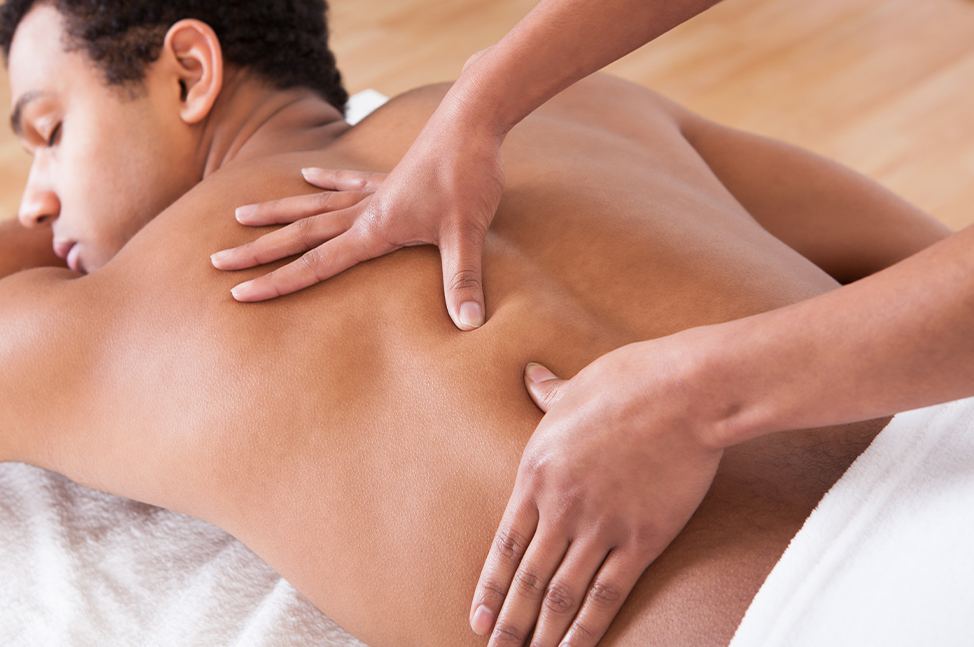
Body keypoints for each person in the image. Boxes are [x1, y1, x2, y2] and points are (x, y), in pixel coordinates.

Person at [0, 1, 952, 646]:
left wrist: (696, 393)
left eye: (47, 131)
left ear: (189, 73)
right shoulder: (588, 105)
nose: (36, 203)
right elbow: (924, 252)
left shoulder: (121, 325)